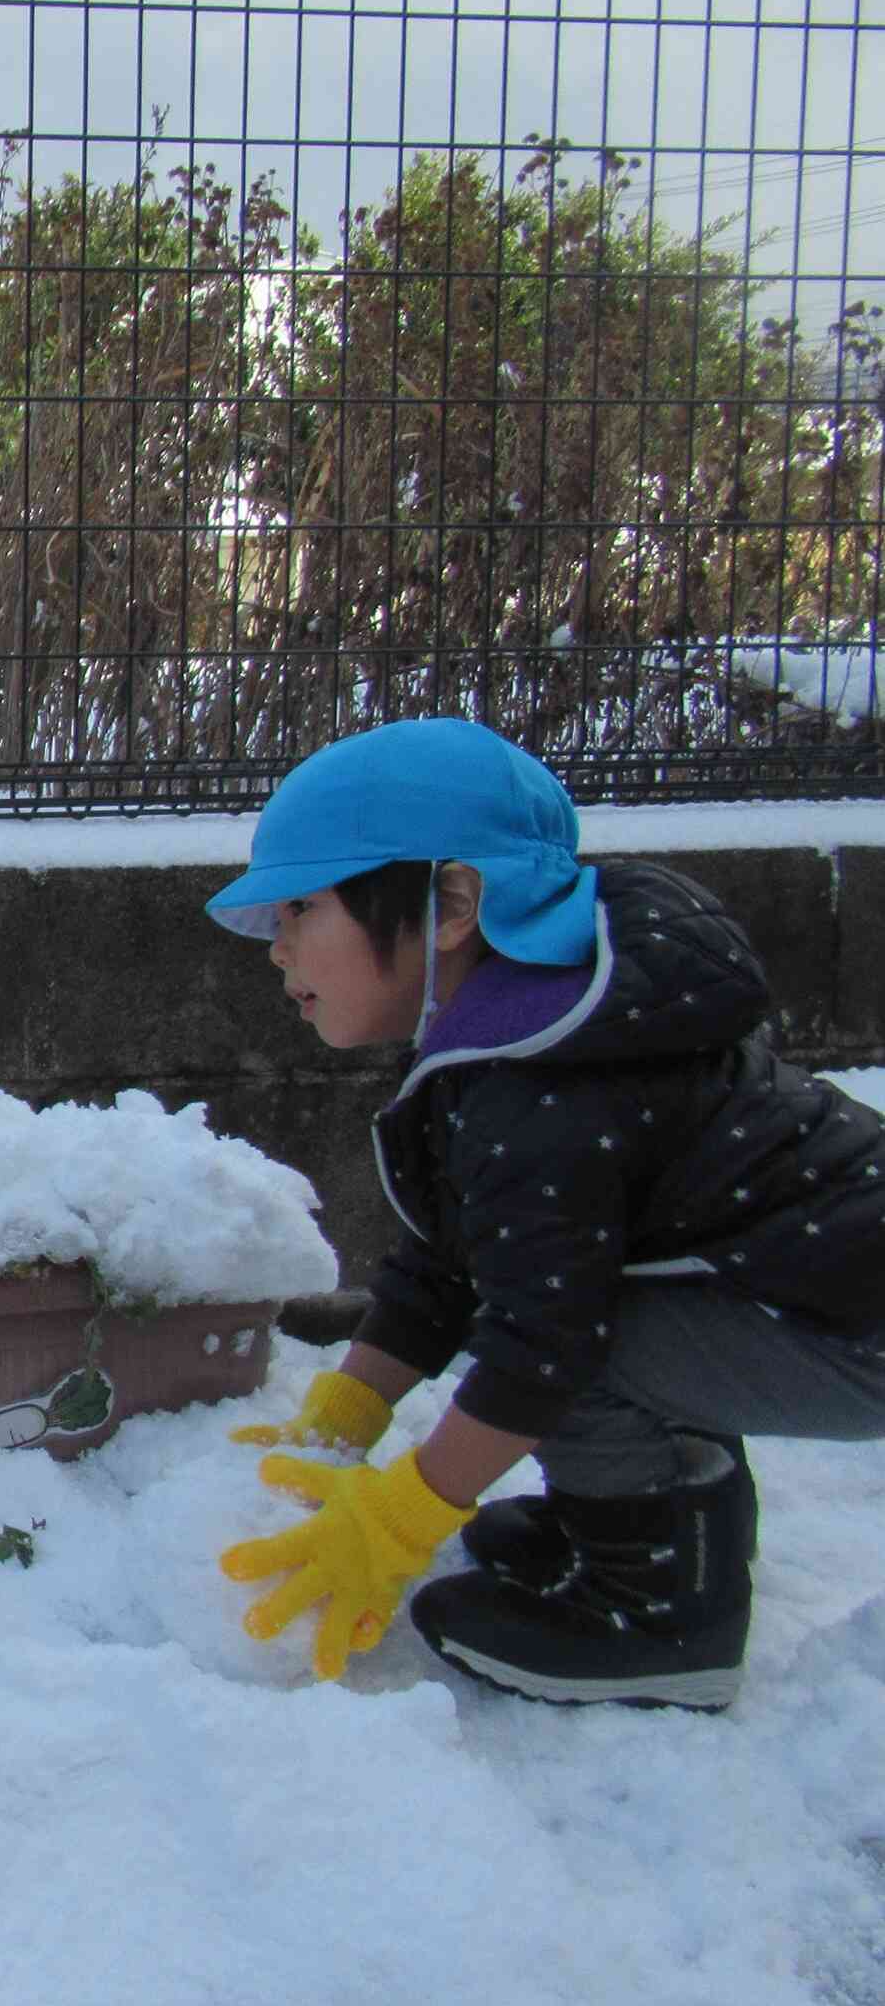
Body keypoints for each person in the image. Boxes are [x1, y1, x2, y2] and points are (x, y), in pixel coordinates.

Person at [206, 717, 885, 1712]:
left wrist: (403, 1514)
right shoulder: (515, 1033)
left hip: (856, 1324)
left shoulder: (545, 1087)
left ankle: (657, 1611)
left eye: (303, 904)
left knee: (578, 1335)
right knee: (557, 1306)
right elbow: (449, 1260)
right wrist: (345, 1410)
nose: (278, 945)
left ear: (450, 902)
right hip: (817, 1297)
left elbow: (543, 1344)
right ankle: (628, 1523)